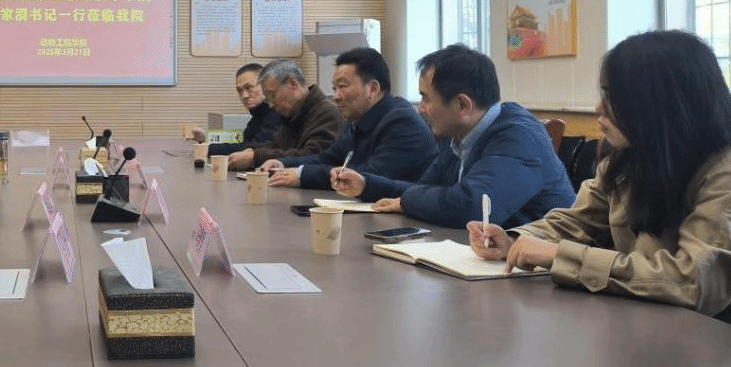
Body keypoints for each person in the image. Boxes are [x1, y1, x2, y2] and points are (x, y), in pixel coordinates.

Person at [469, 30, 731, 326]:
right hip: (644, 326)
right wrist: (515, 239)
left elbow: (692, 283)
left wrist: (561, 256)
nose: (598, 107)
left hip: (719, 341)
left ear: (661, 103)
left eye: (615, 97)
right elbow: (577, 222)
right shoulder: (629, 157)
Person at [332, 44, 573, 227]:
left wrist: (406, 202)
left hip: (538, 269)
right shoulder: (457, 133)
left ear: (462, 105)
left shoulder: (520, 137)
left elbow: (472, 205)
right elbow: (423, 189)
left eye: (426, 98)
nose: (420, 109)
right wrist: (367, 184)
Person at [261, 47, 436, 188]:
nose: (336, 96)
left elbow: (367, 176)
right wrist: (283, 163)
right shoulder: (355, 120)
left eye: (342, 86)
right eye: (334, 88)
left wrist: (302, 175)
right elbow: (328, 158)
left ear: (372, 89)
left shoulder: (402, 123)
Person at [227, 59, 342, 171]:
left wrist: (255, 158)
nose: (271, 105)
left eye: (272, 96)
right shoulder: (294, 113)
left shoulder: (327, 113)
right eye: (268, 99)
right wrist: (252, 151)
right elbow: (277, 145)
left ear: (293, 83)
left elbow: (314, 156)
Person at [193, 63, 284, 157]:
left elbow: (250, 148)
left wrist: (206, 147)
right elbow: (243, 144)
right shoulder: (258, 114)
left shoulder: (276, 114)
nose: (244, 95)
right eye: (240, 90)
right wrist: (206, 139)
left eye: (249, 88)